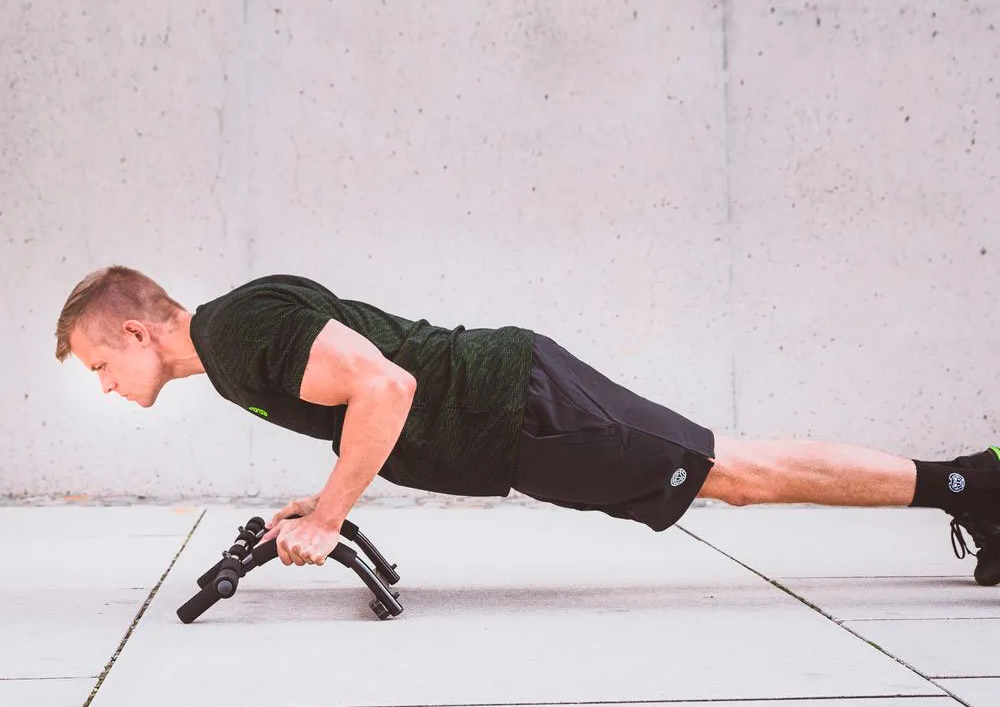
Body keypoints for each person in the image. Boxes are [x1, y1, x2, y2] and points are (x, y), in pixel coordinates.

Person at [55, 265, 1000, 582]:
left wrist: (333, 517)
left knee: (735, 473)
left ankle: (972, 482)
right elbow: (368, 395)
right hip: (515, 416)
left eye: (100, 365)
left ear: (136, 331)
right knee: (729, 471)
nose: (104, 386)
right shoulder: (232, 346)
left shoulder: (237, 332)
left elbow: (385, 386)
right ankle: (970, 483)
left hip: (520, 410)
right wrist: (324, 496)